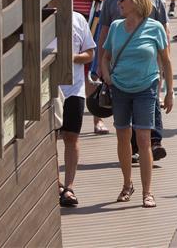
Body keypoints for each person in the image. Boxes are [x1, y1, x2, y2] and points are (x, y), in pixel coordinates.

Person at [100, 0, 173, 209]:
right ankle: (127, 184)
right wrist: (106, 76)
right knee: (123, 137)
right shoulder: (116, 27)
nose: (119, 2)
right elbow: (105, 57)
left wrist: (170, 92)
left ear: (137, 2)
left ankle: (147, 192)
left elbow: (166, 61)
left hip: (146, 88)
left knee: (143, 139)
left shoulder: (155, 27)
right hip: (119, 88)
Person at [98, 0, 170, 161]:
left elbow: (164, 31)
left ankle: (154, 142)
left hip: (149, 61)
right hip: (120, 66)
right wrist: (100, 66)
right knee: (126, 111)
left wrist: (165, 64)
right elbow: (104, 33)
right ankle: (135, 147)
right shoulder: (112, 1)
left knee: (152, 99)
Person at [55, 11, 97, 207]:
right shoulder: (38, 16)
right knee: (50, 141)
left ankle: (69, 187)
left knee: (71, 137)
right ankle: (56, 186)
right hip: (48, 90)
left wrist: (71, 57)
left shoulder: (78, 19)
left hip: (74, 89)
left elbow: (90, 54)